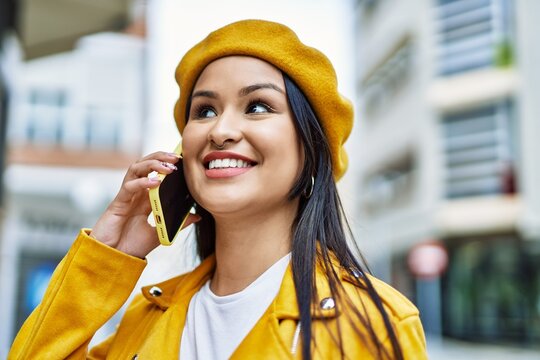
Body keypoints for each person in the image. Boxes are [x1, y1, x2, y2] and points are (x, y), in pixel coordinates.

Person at [9, 20, 426, 359]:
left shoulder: (372, 323)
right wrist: (109, 255)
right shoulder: (147, 317)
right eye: (204, 110)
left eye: (258, 106)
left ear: (311, 147)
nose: (222, 131)